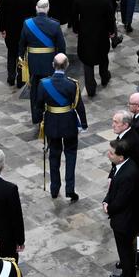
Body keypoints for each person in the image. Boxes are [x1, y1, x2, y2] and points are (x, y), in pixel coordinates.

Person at [35, 53, 87, 201]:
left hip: (52, 123)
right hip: (69, 123)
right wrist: (83, 124)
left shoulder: (43, 84)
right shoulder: (72, 84)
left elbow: (38, 106)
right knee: (71, 156)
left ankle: (54, 188)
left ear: (53, 65)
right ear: (67, 65)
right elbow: (79, 106)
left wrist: (40, 121)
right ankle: (70, 189)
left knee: (54, 156)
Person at [105, 137, 139, 277]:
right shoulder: (119, 166)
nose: (108, 155)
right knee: (123, 254)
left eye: (111, 153)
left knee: (126, 255)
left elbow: (122, 200)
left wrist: (109, 208)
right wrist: (106, 200)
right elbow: (113, 189)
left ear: (121, 157)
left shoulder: (129, 174)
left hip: (127, 220)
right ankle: (125, 276)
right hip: (123, 216)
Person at [18, 0, 66, 122]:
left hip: (33, 63)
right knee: (50, 88)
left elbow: (22, 43)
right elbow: (61, 46)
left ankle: (36, 117)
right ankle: (49, 115)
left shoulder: (27, 23)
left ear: (36, 8)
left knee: (34, 89)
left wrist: (21, 57)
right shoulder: (55, 24)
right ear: (48, 8)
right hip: (50, 63)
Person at [72, 0, 117, 97]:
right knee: (103, 56)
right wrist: (111, 32)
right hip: (101, 33)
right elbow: (110, 18)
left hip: (85, 33)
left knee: (87, 60)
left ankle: (90, 87)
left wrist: (76, 29)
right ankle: (104, 76)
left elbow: (74, 16)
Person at [0, 0, 37, 86]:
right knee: (22, 54)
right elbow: (32, 17)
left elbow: (2, 14)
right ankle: (21, 79)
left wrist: (2, 29)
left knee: (11, 53)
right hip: (24, 31)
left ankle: (11, 77)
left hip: (10, 30)